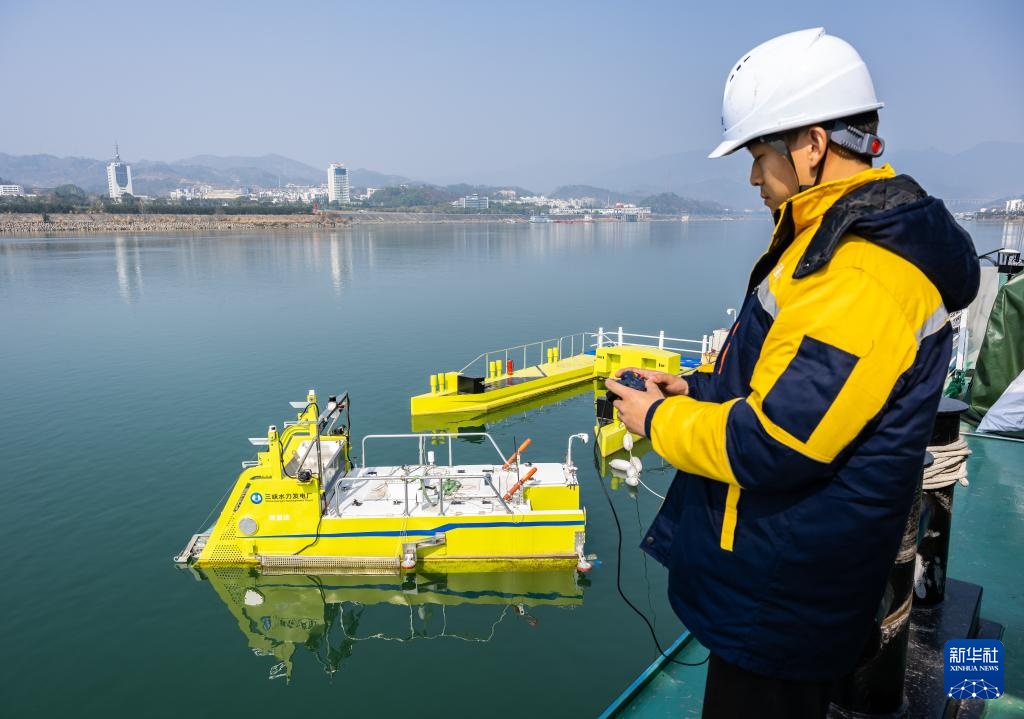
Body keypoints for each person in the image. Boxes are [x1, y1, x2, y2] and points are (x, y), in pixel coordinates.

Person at [607, 27, 980, 718]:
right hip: (783, 575)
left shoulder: (864, 271)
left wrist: (657, 418)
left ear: (811, 145)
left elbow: (776, 441)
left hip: (785, 594)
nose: (753, 176)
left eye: (758, 154)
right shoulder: (825, 238)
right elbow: (780, 374)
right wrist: (697, 387)